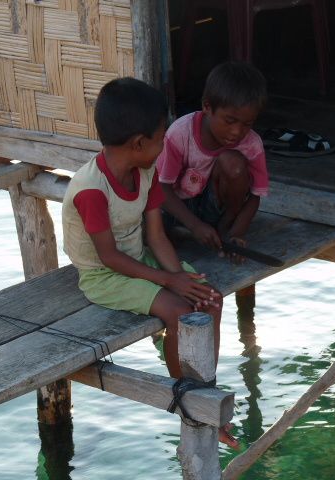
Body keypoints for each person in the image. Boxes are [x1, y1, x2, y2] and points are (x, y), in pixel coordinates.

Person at [61, 77, 238, 447]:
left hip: (138, 258)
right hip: (103, 275)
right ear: (139, 142)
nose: (165, 144)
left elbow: (156, 236)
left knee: (210, 299)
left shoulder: (145, 171)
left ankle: (205, 383)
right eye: (161, 137)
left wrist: (178, 277)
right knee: (179, 311)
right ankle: (188, 396)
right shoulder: (92, 189)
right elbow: (107, 257)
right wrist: (171, 283)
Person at [157, 62, 268, 260]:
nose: (237, 132)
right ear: (207, 107)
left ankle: (224, 227)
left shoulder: (252, 144)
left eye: (247, 124)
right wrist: (195, 225)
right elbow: (161, 189)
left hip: (217, 208)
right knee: (150, 224)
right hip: (180, 206)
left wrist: (237, 234)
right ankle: (185, 231)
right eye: (229, 121)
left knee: (232, 163)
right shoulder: (180, 133)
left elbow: (255, 196)